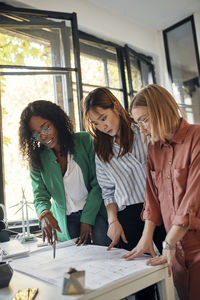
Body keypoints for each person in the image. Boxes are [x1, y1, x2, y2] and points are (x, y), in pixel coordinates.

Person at [82, 87, 166, 300]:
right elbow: (107, 191)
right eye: (96, 123)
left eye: (104, 118)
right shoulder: (102, 150)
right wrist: (112, 221)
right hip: (128, 214)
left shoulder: (142, 130)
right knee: (140, 279)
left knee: (172, 265)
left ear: (116, 108)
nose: (103, 126)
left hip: (161, 208)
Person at [127, 83, 200, 300]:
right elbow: (152, 198)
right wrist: (146, 237)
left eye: (144, 120)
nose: (142, 129)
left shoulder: (197, 137)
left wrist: (168, 242)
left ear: (161, 111)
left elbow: (193, 199)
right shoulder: (153, 149)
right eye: (137, 123)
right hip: (175, 251)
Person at [19, 100, 110, 247]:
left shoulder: (84, 141)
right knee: (74, 266)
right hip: (65, 221)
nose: (43, 137)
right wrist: (44, 214)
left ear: (56, 121)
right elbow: (40, 196)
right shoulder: (37, 159)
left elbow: (98, 183)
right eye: (35, 134)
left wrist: (86, 219)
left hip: (94, 213)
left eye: (46, 128)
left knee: (105, 258)